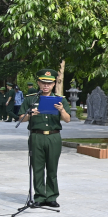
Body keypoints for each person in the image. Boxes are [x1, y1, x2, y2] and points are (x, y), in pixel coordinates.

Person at [18, 69, 71, 206]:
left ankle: (52, 196)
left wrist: (62, 110)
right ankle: (40, 197)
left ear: (53, 84)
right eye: (43, 82)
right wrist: (31, 114)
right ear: (38, 83)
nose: (45, 85)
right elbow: (21, 118)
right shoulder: (31, 98)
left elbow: (67, 119)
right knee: (37, 167)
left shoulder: (60, 100)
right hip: (36, 136)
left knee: (52, 167)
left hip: (53, 137)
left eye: (49, 83)